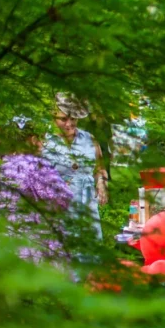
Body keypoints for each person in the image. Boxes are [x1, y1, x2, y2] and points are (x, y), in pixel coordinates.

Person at [42, 93, 107, 242]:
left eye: (73, 119)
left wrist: (101, 182)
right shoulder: (45, 141)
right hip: (59, 204)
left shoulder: (89, 138)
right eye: (63, 119)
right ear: (53, 117)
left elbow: (99, 167)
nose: (69, 124)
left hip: (87, 203)